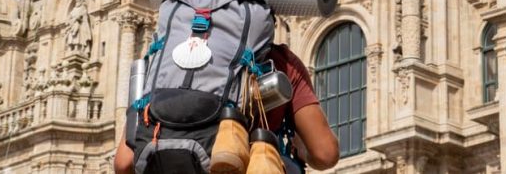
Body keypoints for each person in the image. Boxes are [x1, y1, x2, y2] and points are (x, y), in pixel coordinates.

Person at [114, 43, 339, 173]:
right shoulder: (280, 62)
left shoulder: (164, 60)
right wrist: (301, 149)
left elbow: (123, 162)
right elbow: (326, 153)